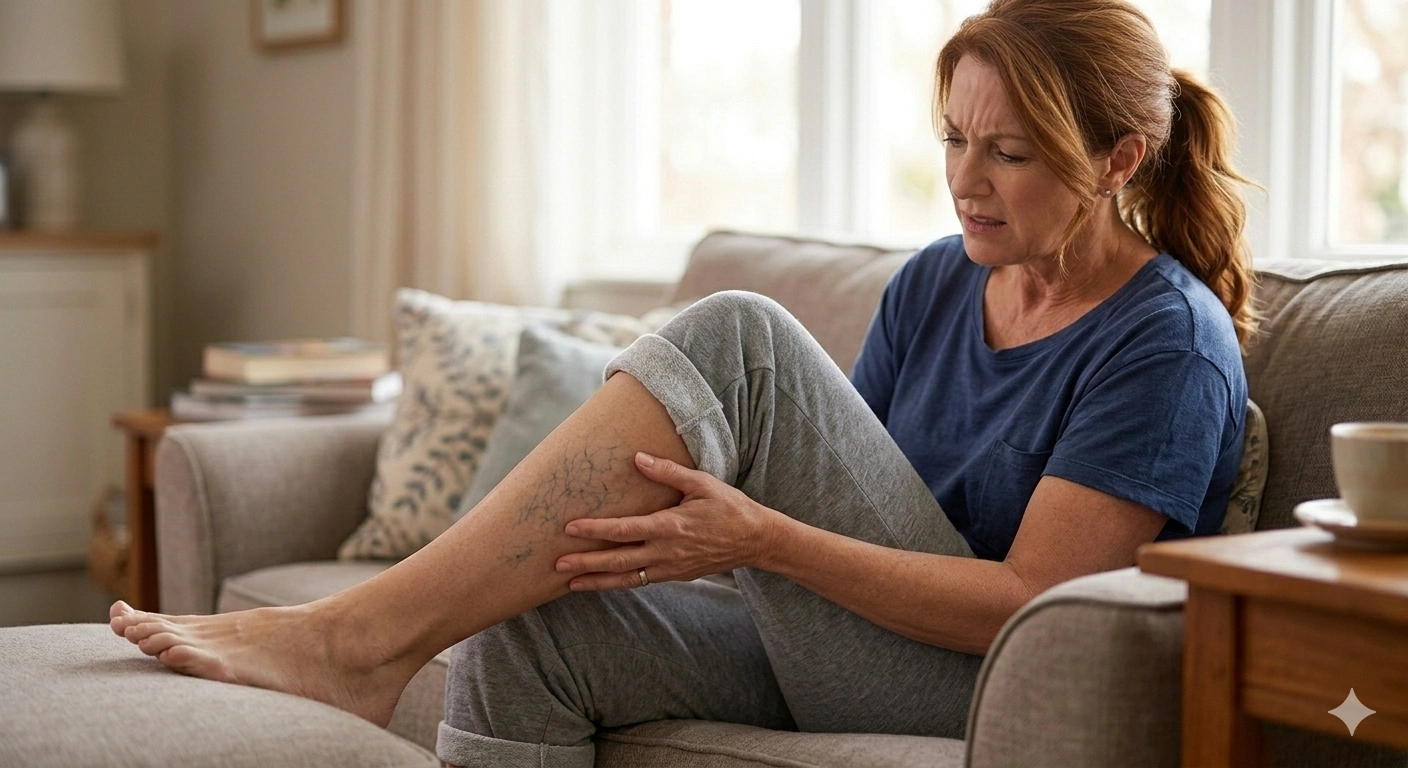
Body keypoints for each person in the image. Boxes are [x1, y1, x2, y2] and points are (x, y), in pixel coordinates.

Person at [110, 1, 1255, 765]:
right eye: (954, 140)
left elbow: (1025, 606)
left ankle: (357, 637)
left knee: (744, 337)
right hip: (850, 643)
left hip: (984, 685)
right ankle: (372, 632)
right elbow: (852, 496)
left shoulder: (1167, 344)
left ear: (1118, 161)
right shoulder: (936, 285)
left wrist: (761, 543)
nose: (965, 181)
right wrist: (730, 544)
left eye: (1008, 153)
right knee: (531, 630)